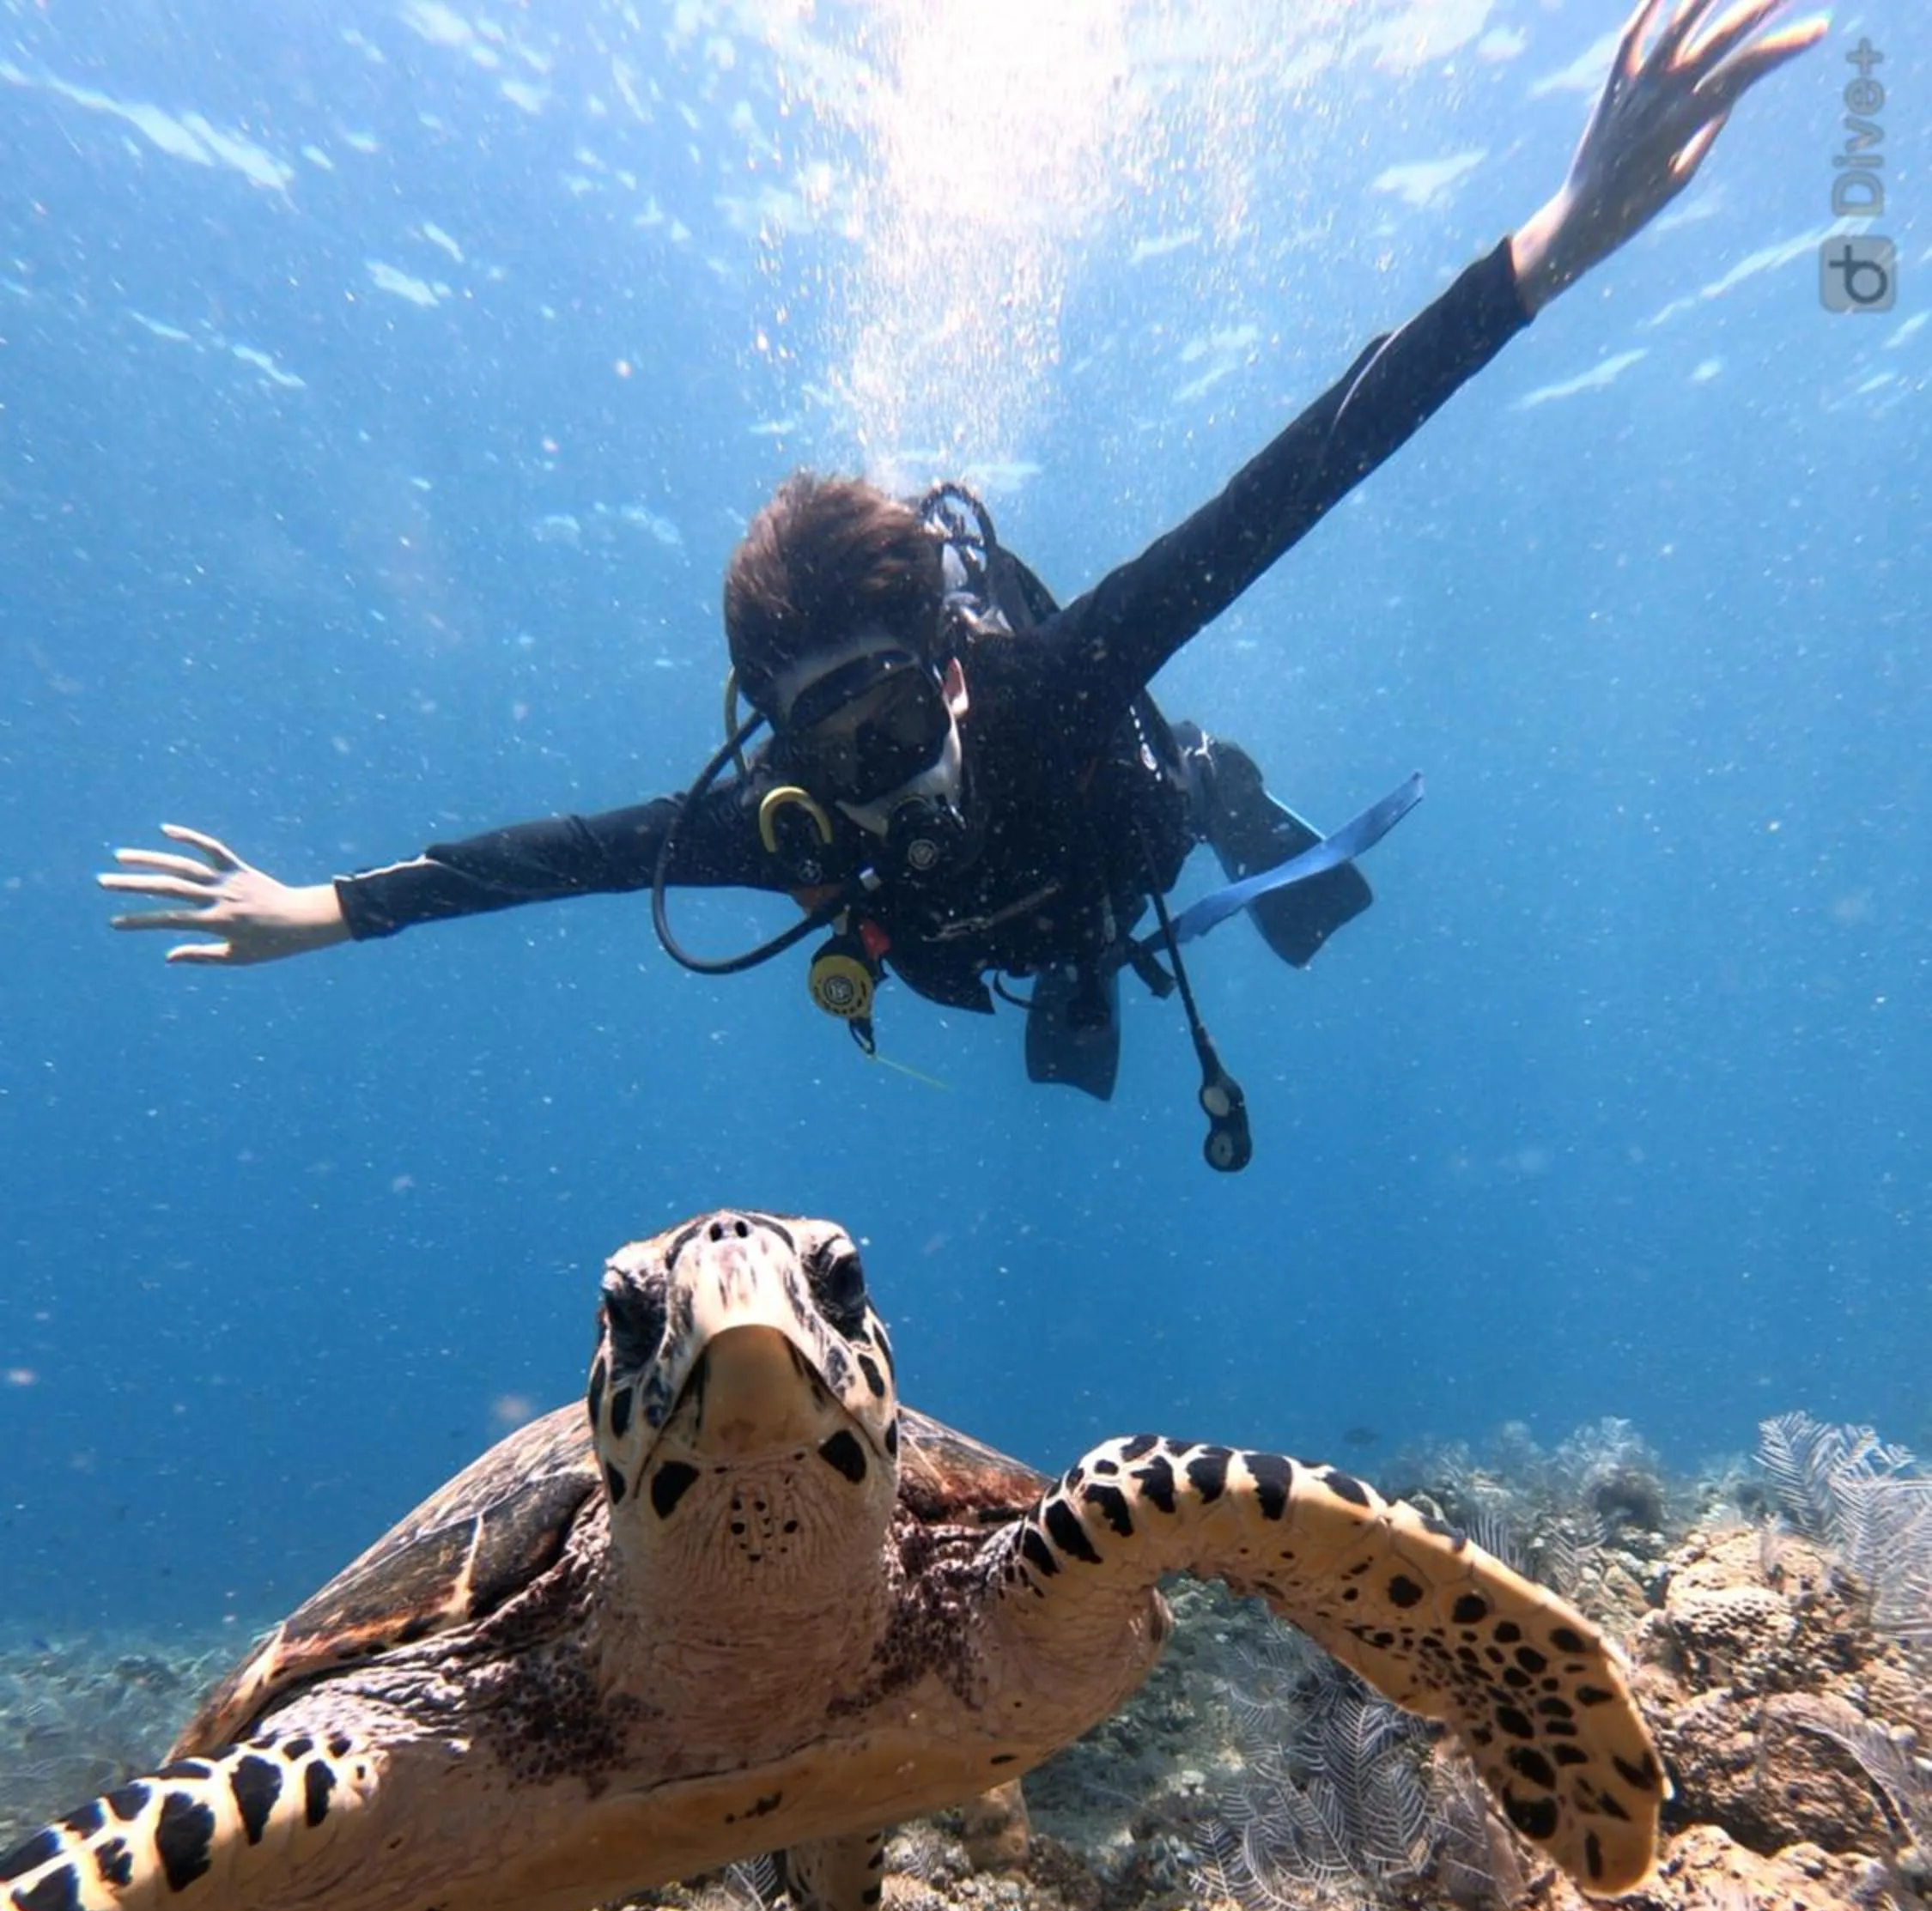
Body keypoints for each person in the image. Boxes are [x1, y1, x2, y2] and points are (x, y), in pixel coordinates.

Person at [101, 0, 1823, 1169]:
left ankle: (1212, 786)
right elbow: (565, 855)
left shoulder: (1055, 682)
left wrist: (1550, 247)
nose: (870, 777)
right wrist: (327, 906)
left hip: (1114, 828)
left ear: (947, 669)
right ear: (772, 736)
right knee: (1055, 991)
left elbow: (1301, 472)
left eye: (886, 718)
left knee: (1158, 818)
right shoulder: (786, 820)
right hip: (1009, 934)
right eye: (822, 742)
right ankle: (1076, 968)